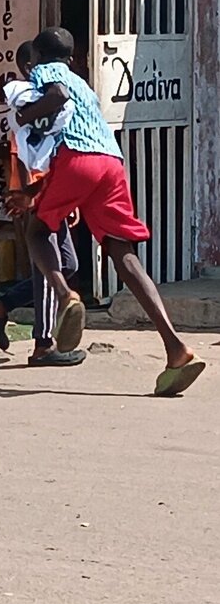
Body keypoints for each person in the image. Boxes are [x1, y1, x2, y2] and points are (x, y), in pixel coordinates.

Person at [14, 27, 205, 397]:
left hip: (78, 160)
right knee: (124, 254)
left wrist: (26, 116)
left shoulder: (47, 73)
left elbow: (57, 96)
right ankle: (176, 348)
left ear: (37, 56)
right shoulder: (85, 83)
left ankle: (65, 294)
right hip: (111, 164)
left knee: (36, 231)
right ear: (73, 57)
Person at [0, 41, 85, 366]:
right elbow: (20, 153)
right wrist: (26, 194)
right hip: (37, 194)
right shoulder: (26, 101)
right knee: (47, 268)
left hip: (54, 191)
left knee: (67, 265)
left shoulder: (46, 102)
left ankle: (2, 306)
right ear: (30, 68)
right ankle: (43, 344)